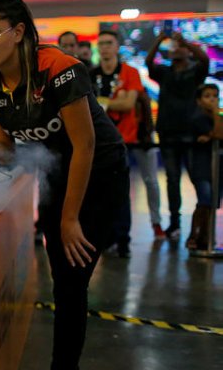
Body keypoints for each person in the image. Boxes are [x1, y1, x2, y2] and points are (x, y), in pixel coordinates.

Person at [0, 0, 127, 370]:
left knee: (72, 282)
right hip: (59, 172)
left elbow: (86, 146)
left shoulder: (59, 69)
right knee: (60, 277)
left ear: (19, 32)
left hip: (99, 173)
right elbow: (7, 150)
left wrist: (69, 219)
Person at [91, 30, 165, 255]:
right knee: (105, 191)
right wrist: (114, 101)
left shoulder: (129, 72)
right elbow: (90, 106)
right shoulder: (90, 73)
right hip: (102, 142)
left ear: (117, 46)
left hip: (132, 139)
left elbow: (127, 104)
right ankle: (109, 238)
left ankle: (131, 235)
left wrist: (105, 102)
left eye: (109, 43)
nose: (104, 47)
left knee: (143, 183)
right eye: (101, 43)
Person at [145, 31, 210, 239]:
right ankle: (175, 223)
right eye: (174, 47)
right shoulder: (165, 72)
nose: (177, 50)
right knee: (172, 179)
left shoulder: (195, 71)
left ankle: (201, 225)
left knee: (197, 179)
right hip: (169, 133)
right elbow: (149, 62)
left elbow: (204, 59)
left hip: (192, 133)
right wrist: (159, 41)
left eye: (180, 47)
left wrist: (186, 43)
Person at [187, 84, 223, 249]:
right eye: (207, 96)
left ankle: (205, 237)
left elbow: (217, 134)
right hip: (201, 166)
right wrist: (216, 113)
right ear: (199, 101)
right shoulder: (197, 118)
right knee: (205, 199)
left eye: (215, 96)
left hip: (217, 167)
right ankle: (194, 235)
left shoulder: (218, 116)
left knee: (212, 202)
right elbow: (218, 133)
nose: (212, 99)